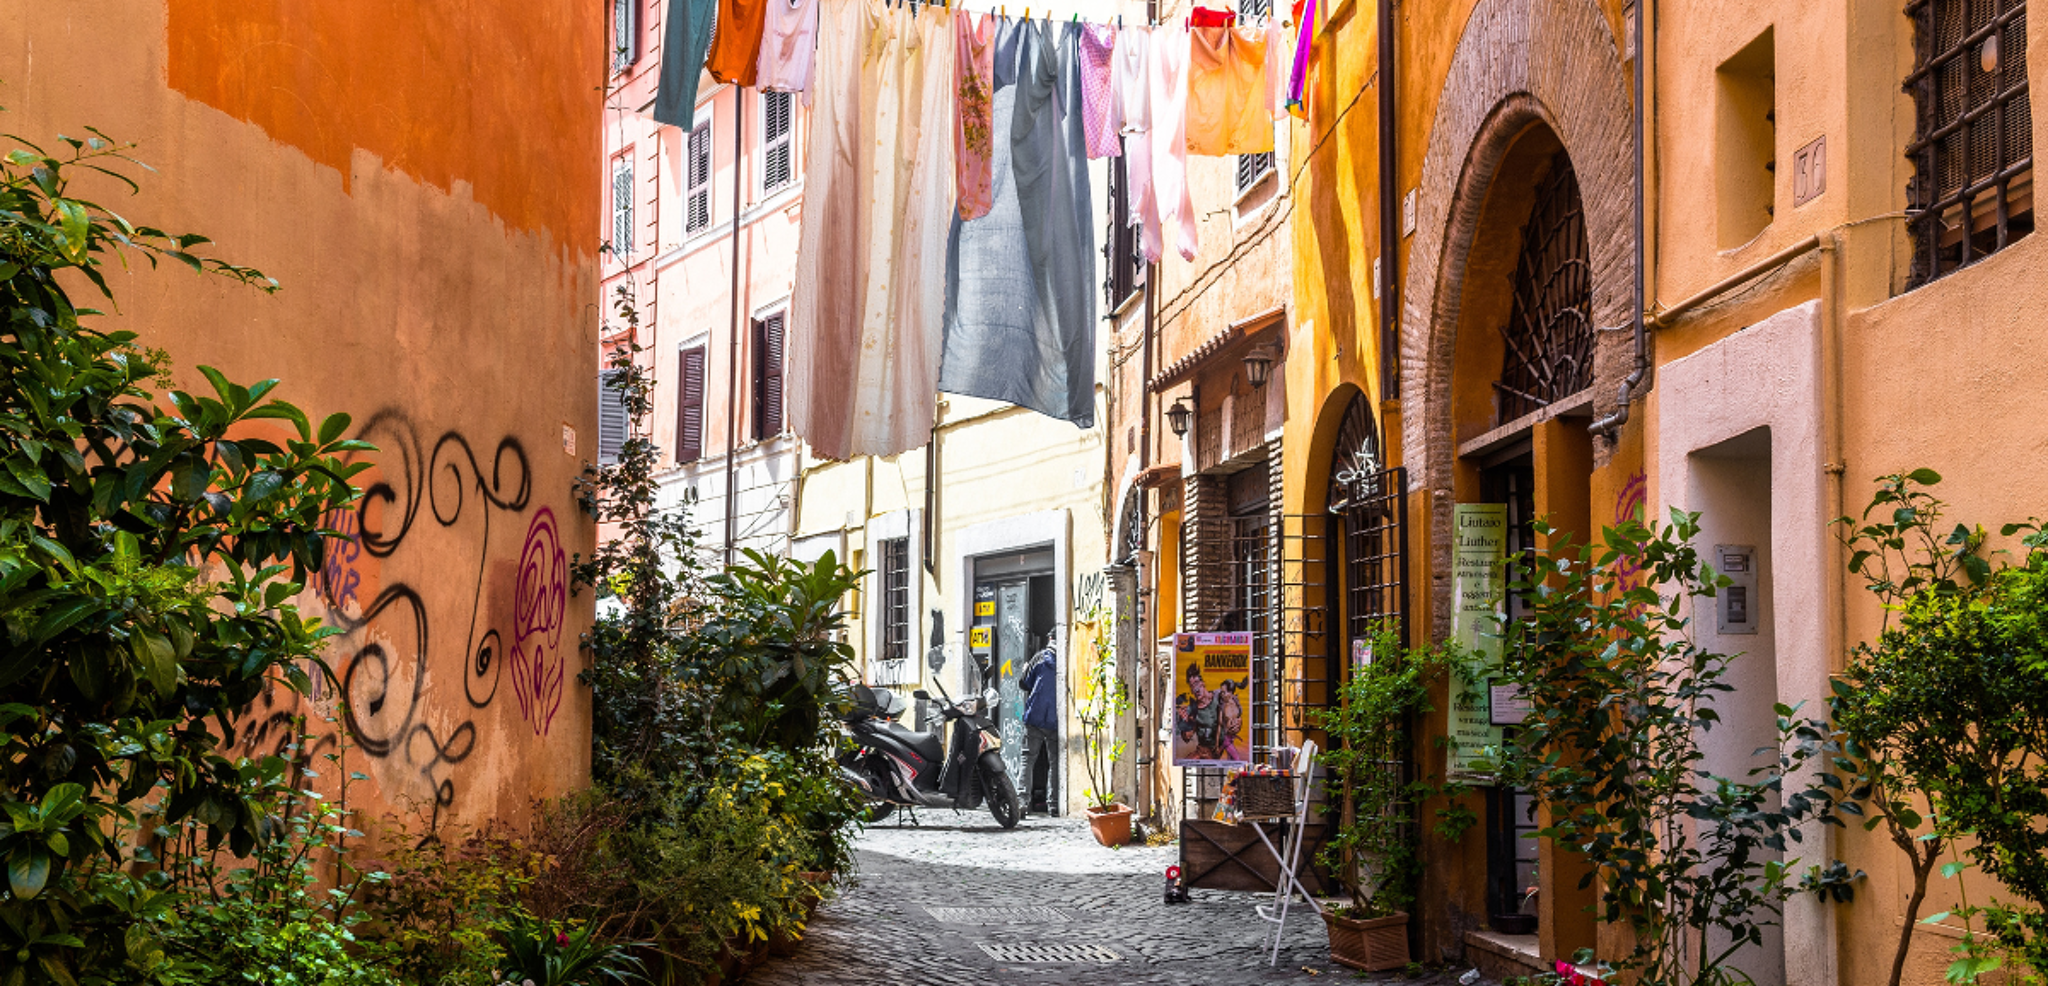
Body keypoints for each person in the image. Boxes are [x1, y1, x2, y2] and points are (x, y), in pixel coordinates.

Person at [1019, 645, 1059, 814]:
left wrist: (1024, 670)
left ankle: (1022, 802)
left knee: (1027, 759)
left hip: (1035, 716)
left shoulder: (1039, 658)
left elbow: (1024, 683)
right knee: (1055, 763)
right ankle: (1054, 804)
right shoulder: (1065, 660)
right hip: (1056, 719)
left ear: (1050, 640)